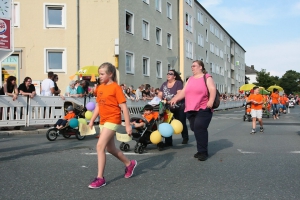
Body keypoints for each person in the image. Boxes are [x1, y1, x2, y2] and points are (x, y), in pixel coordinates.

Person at [88, 62, 137, 189]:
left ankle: (100, 178)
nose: (100, 76)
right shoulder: (99, 88)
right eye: (99, 74)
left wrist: (127, 125)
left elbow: (124, 107)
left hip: (113, 120)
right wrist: (92, 120)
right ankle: (129, 164)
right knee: (110, 149)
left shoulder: (115, 87)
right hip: (103, 121)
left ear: (110, 74)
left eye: (102, 74)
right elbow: (98, 105)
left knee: (100, 146)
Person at [170, 60, 216, 161]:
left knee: (200, 127)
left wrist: (211, 100)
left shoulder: (207, 77)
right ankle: (201, 149)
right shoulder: (190, 79)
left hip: (204, 107)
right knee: (194, 128)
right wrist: (175, 98)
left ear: (201, 67)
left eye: (194, 66)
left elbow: (212, 89)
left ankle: (202, 152)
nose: (192, 68)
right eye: (191, 66)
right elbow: (184, 92)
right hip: (190, 108)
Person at [158, 69, 189, 145]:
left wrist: (172, 100)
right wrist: (159, 100)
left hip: (179, 107)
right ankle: (168, 142)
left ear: (174, 76)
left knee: (181, 122)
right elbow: (159, 94)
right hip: (168, 107)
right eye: (167, 73)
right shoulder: (164, 84)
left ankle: (185, 137)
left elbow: (179, 94)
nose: (168, 75)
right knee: (167, 123)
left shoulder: (178, 83)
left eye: (170, 74)